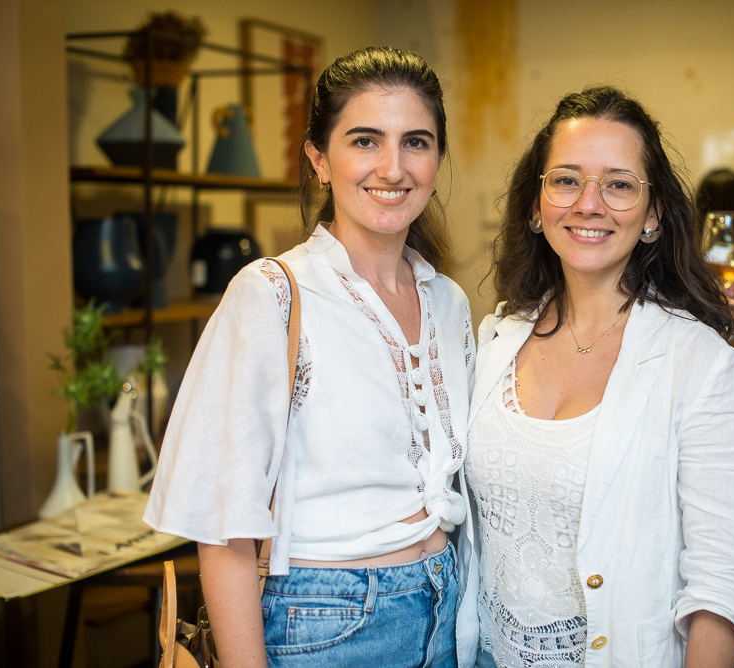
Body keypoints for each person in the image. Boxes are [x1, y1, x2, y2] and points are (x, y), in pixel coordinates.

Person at [144, 47, 477, 668]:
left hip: (449, 610)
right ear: (319, 160)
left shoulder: (449, 302)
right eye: (365, 141)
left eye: (416, 142)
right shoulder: (270, 294)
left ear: (437, 160)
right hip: (326, 622)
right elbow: (224, 527)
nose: (393, 167)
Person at [466, 85, 734, 668]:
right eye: (566, 180)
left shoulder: (702, 365)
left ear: (653, 214)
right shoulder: (496, 338)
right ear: (536, 205)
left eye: (619, 184)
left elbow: (721, 589)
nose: (589, 204)